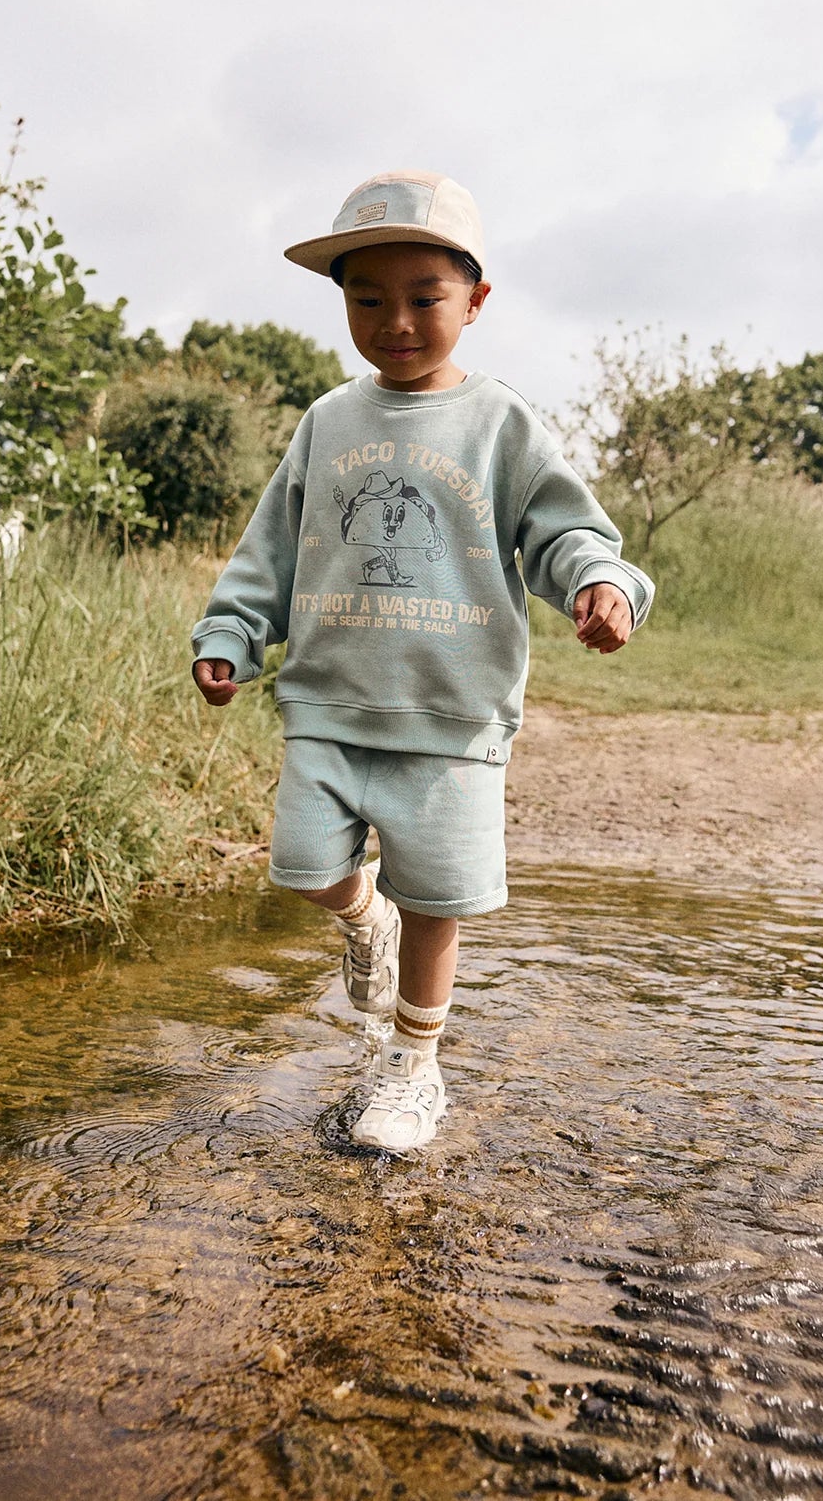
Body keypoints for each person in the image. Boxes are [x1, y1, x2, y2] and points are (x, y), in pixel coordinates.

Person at [191, 171, 654, 1152]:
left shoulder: (499, 424)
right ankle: (366, 918)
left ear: (475, 300)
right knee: (306, 867)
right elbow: (271, 548)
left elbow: (566, 530)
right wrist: (231, 631)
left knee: (437, 901)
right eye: (368, 299)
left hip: (452, 711)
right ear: (343, 302)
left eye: (423, 297)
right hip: (328, 701)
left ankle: (412, 1064)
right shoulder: (327, 421)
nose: (395, 321)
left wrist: (599, 582)